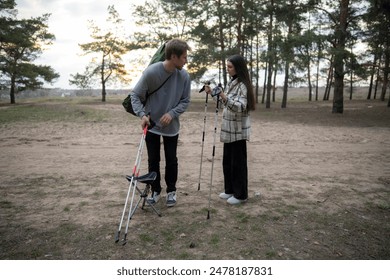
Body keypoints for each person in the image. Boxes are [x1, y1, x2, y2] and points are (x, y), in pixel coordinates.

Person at [130, 39, 191, 207]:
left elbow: (185, 101)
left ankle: (171, 190)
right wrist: (142, 115)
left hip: (172, 127)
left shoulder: (184, 76)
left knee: (172, 160)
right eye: (184, 57)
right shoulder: (151, 72)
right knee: (153, 160)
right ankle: (155, 190)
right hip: (152, 125)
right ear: (173, 56)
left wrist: (172, 114)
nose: (186, 61)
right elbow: (134, 96)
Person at [205, 54, 255, 205]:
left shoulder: (243, 85)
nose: (227, 69)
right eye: (227, 66)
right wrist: (213, 93)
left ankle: (241, 195)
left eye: (230, 67)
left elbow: (240, 107)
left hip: (238, 131)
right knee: (228, 162)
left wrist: (224, 97)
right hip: (228, 130)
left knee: (238, 164)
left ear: (238, 68)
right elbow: (223, 104)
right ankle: (230, 190)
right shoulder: (231, 82)